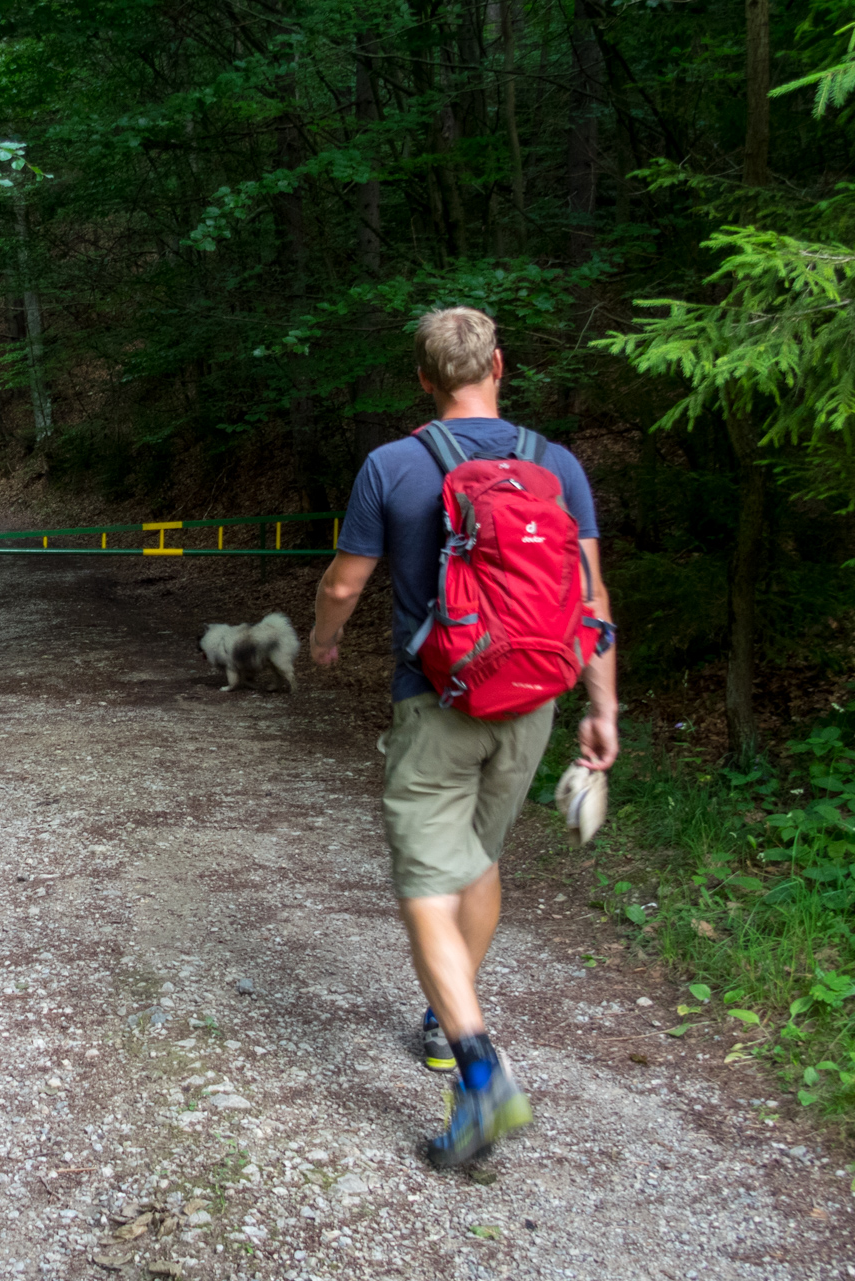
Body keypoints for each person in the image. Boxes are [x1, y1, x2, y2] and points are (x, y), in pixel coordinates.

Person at [308, 306, 619, 1167]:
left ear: (422, 378)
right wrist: (604, 707)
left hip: (438, 699)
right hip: (534, 700)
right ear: (500, 366)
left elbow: (345, 581)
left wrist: (325, 634)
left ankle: (479, 1071)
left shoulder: (393, 464)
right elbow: (590, 600)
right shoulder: (555, 464)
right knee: (476, 860)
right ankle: (449, 1022)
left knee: (423, 879)